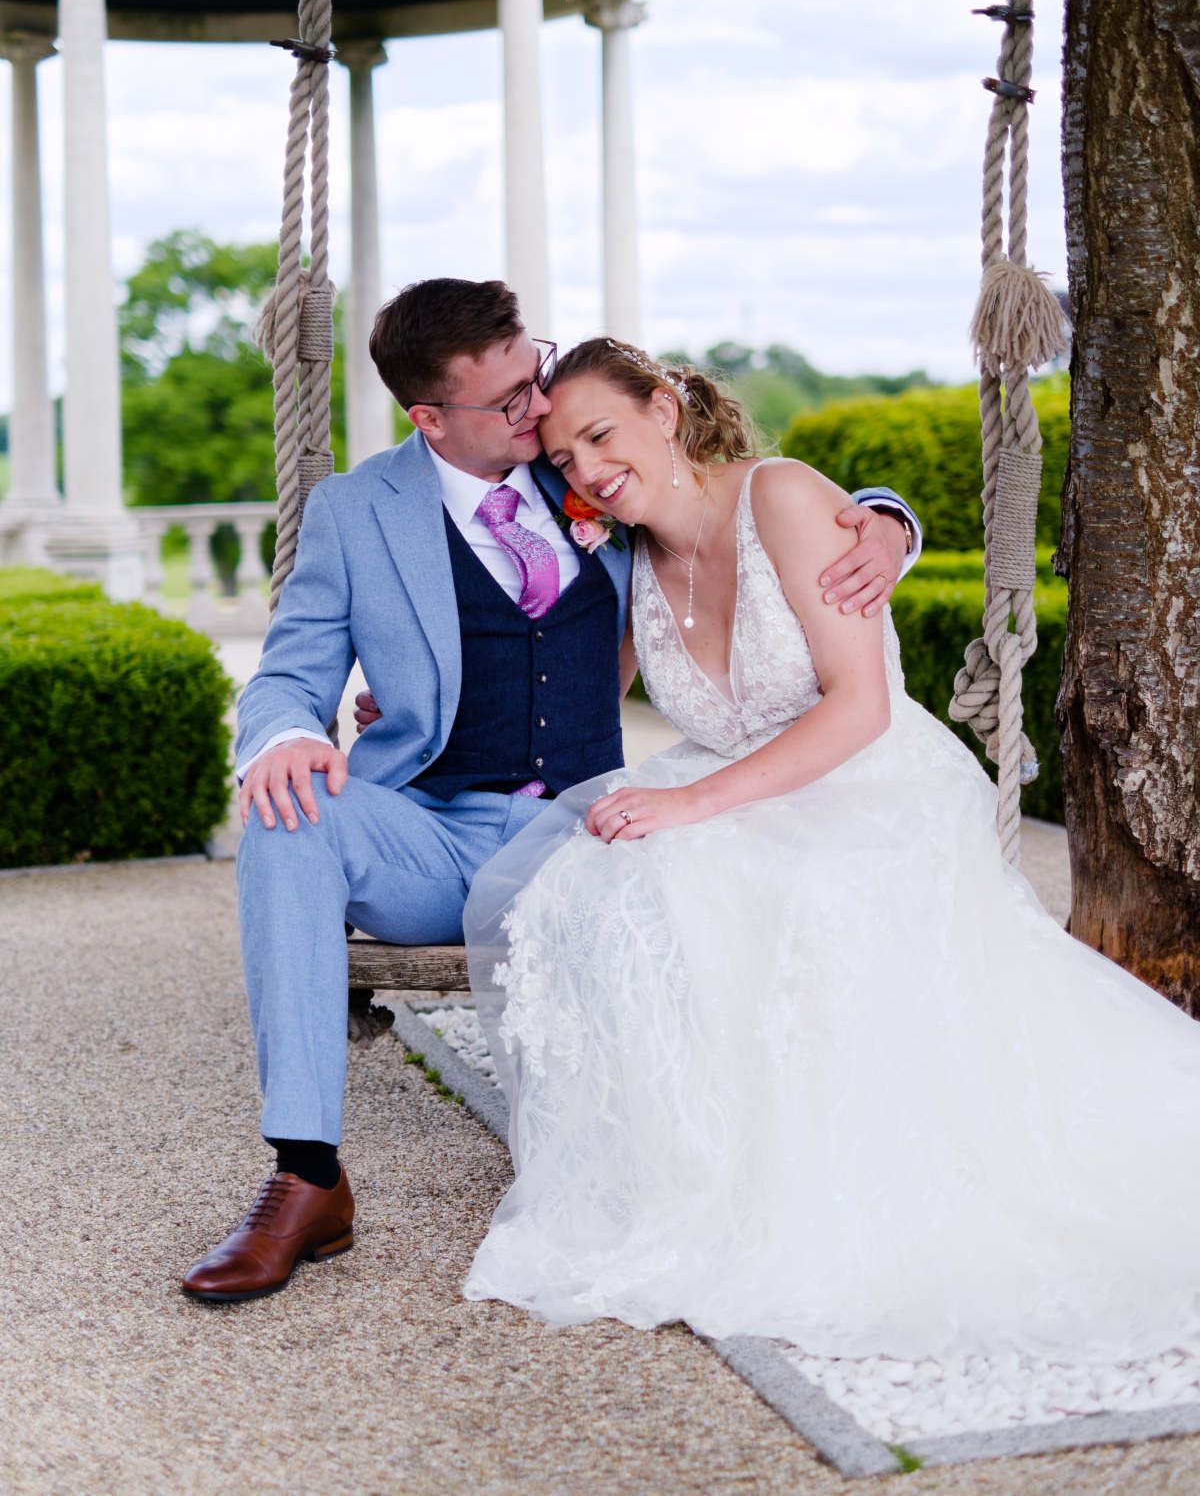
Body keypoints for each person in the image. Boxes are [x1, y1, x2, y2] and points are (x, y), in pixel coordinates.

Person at [461, 338, 1200, 1366]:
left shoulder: (788, 502)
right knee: (586, 877)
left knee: (739, 879)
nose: (585, 468)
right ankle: (684, 1167)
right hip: (734, 781)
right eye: (564, 456)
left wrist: (699, 803)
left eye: (600, 433)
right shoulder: (625, 560)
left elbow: (860, 706)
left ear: (666, 409)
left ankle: (806, 1179)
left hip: (865, 785)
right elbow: (553, 693)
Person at [181, 280, 919, 1304]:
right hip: (433, 827)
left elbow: (734, 498)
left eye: (537, 375)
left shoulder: (594, 477)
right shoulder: (356, 509)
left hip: (586, 824)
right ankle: (306, 1174)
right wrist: (290, 735)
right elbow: (289, 670)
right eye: (512, 400)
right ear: (428, 417)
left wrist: (887, 523)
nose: (542, 414)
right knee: (288, 812)